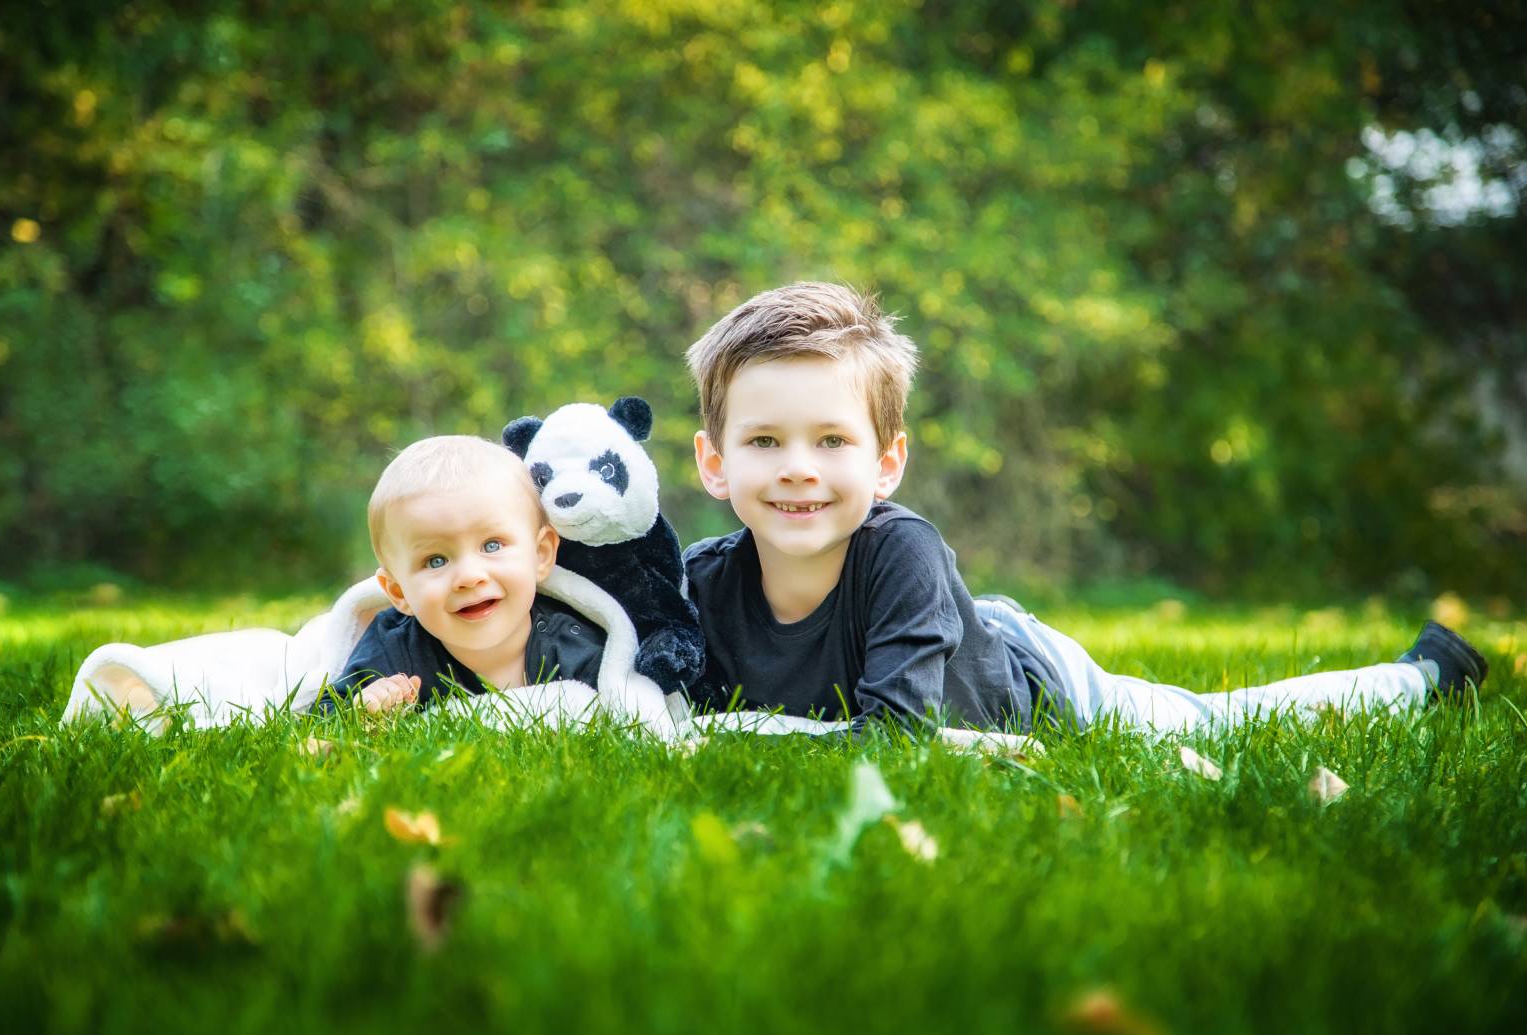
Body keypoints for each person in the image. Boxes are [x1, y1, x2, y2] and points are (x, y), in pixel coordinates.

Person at [680, 282, 1488, 738]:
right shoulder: (694, 584)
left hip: (1033, 679)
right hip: (958, 631)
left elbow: (895, 738)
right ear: (713, 463)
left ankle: (1420, 677)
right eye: (763, 441)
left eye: (831, 440)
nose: (797, 468)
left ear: (887, 463)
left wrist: (727, 733)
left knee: (1212, 722)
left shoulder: (900, 552)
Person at [319, 435, 605, 715]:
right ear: (399, 592)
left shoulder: (573, 646)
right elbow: (324, 717)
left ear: (540, 554)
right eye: (435, 561)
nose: (469, 577)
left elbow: (621, 704)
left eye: (492, 545)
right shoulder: (395, 647)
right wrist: (365, 706)